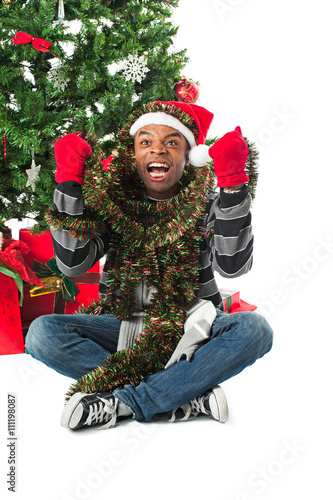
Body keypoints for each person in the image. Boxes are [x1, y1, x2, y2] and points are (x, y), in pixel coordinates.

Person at [25, 100, 273, 431]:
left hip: (192, 328)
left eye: (172, 142)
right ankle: (183, 393)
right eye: (146, 142)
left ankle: (128, 402)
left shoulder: (209, 203)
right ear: (134, 155)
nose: (158, 149)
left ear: (189, 156)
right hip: (121, 325)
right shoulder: (114, 204)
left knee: (255, 329)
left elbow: (232, 265)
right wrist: (69, 182)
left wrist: (232, 185)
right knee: (42, 334)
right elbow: (71, 262)